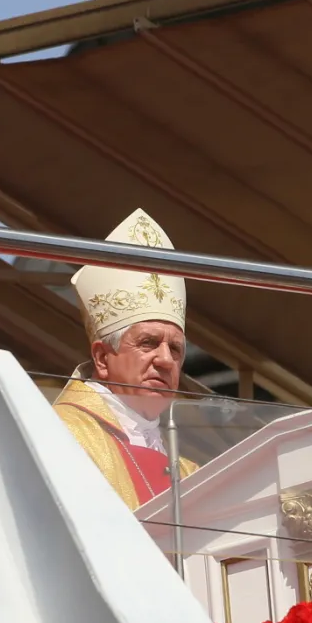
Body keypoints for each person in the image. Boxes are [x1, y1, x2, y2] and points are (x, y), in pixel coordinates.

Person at [55, 208, 198, 510]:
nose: (166, 360)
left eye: (175, 349)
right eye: (148, 343)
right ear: (103, 359)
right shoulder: (59, 433)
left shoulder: (191, 472)